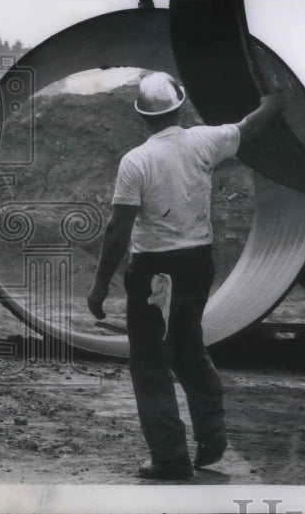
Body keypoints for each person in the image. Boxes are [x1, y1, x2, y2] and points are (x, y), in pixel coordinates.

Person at [86, 72, 284, 480]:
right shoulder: (205, 140)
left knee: (150, 363)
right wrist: (276, 100)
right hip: (197, 265)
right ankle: (211, 435)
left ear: (143, 117)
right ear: (180, 106)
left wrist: (101, 283)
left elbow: (118, 229)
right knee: (188, 347)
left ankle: (170, 459)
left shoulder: (136, 161)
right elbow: (251, 125)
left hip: (154, 272)